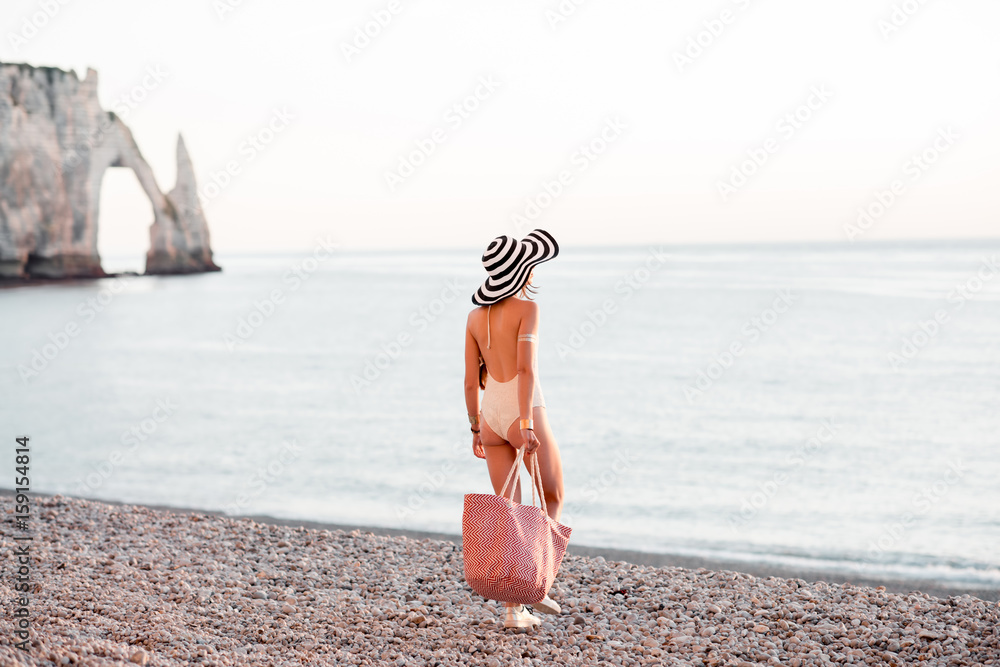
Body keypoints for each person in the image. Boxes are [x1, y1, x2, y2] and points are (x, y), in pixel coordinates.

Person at [463, 229, 565, 629]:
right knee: (553, 494)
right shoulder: (528, 309)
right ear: (521, 271)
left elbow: (471, 382)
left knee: (511, 511)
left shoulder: (474, 317)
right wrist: (524, 422)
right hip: (525, 410)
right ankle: (537, 585)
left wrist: (475, 429)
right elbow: (526, 369)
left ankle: (513, 611)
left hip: (488, 415)